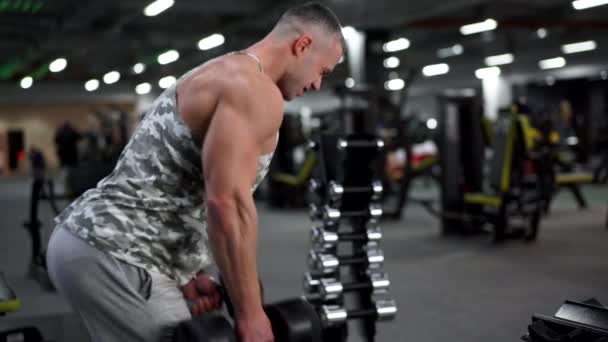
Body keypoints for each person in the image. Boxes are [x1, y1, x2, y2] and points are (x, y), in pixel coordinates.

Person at [46, 3, 344, 342]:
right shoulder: (255, 89)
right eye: (323, 71)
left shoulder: (223, 72)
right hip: (120, 254)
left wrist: (187, 271)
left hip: (102, 246)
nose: (319, 84)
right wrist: (250, 313)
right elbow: (226, 202)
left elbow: (173, 183)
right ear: (302, 45)